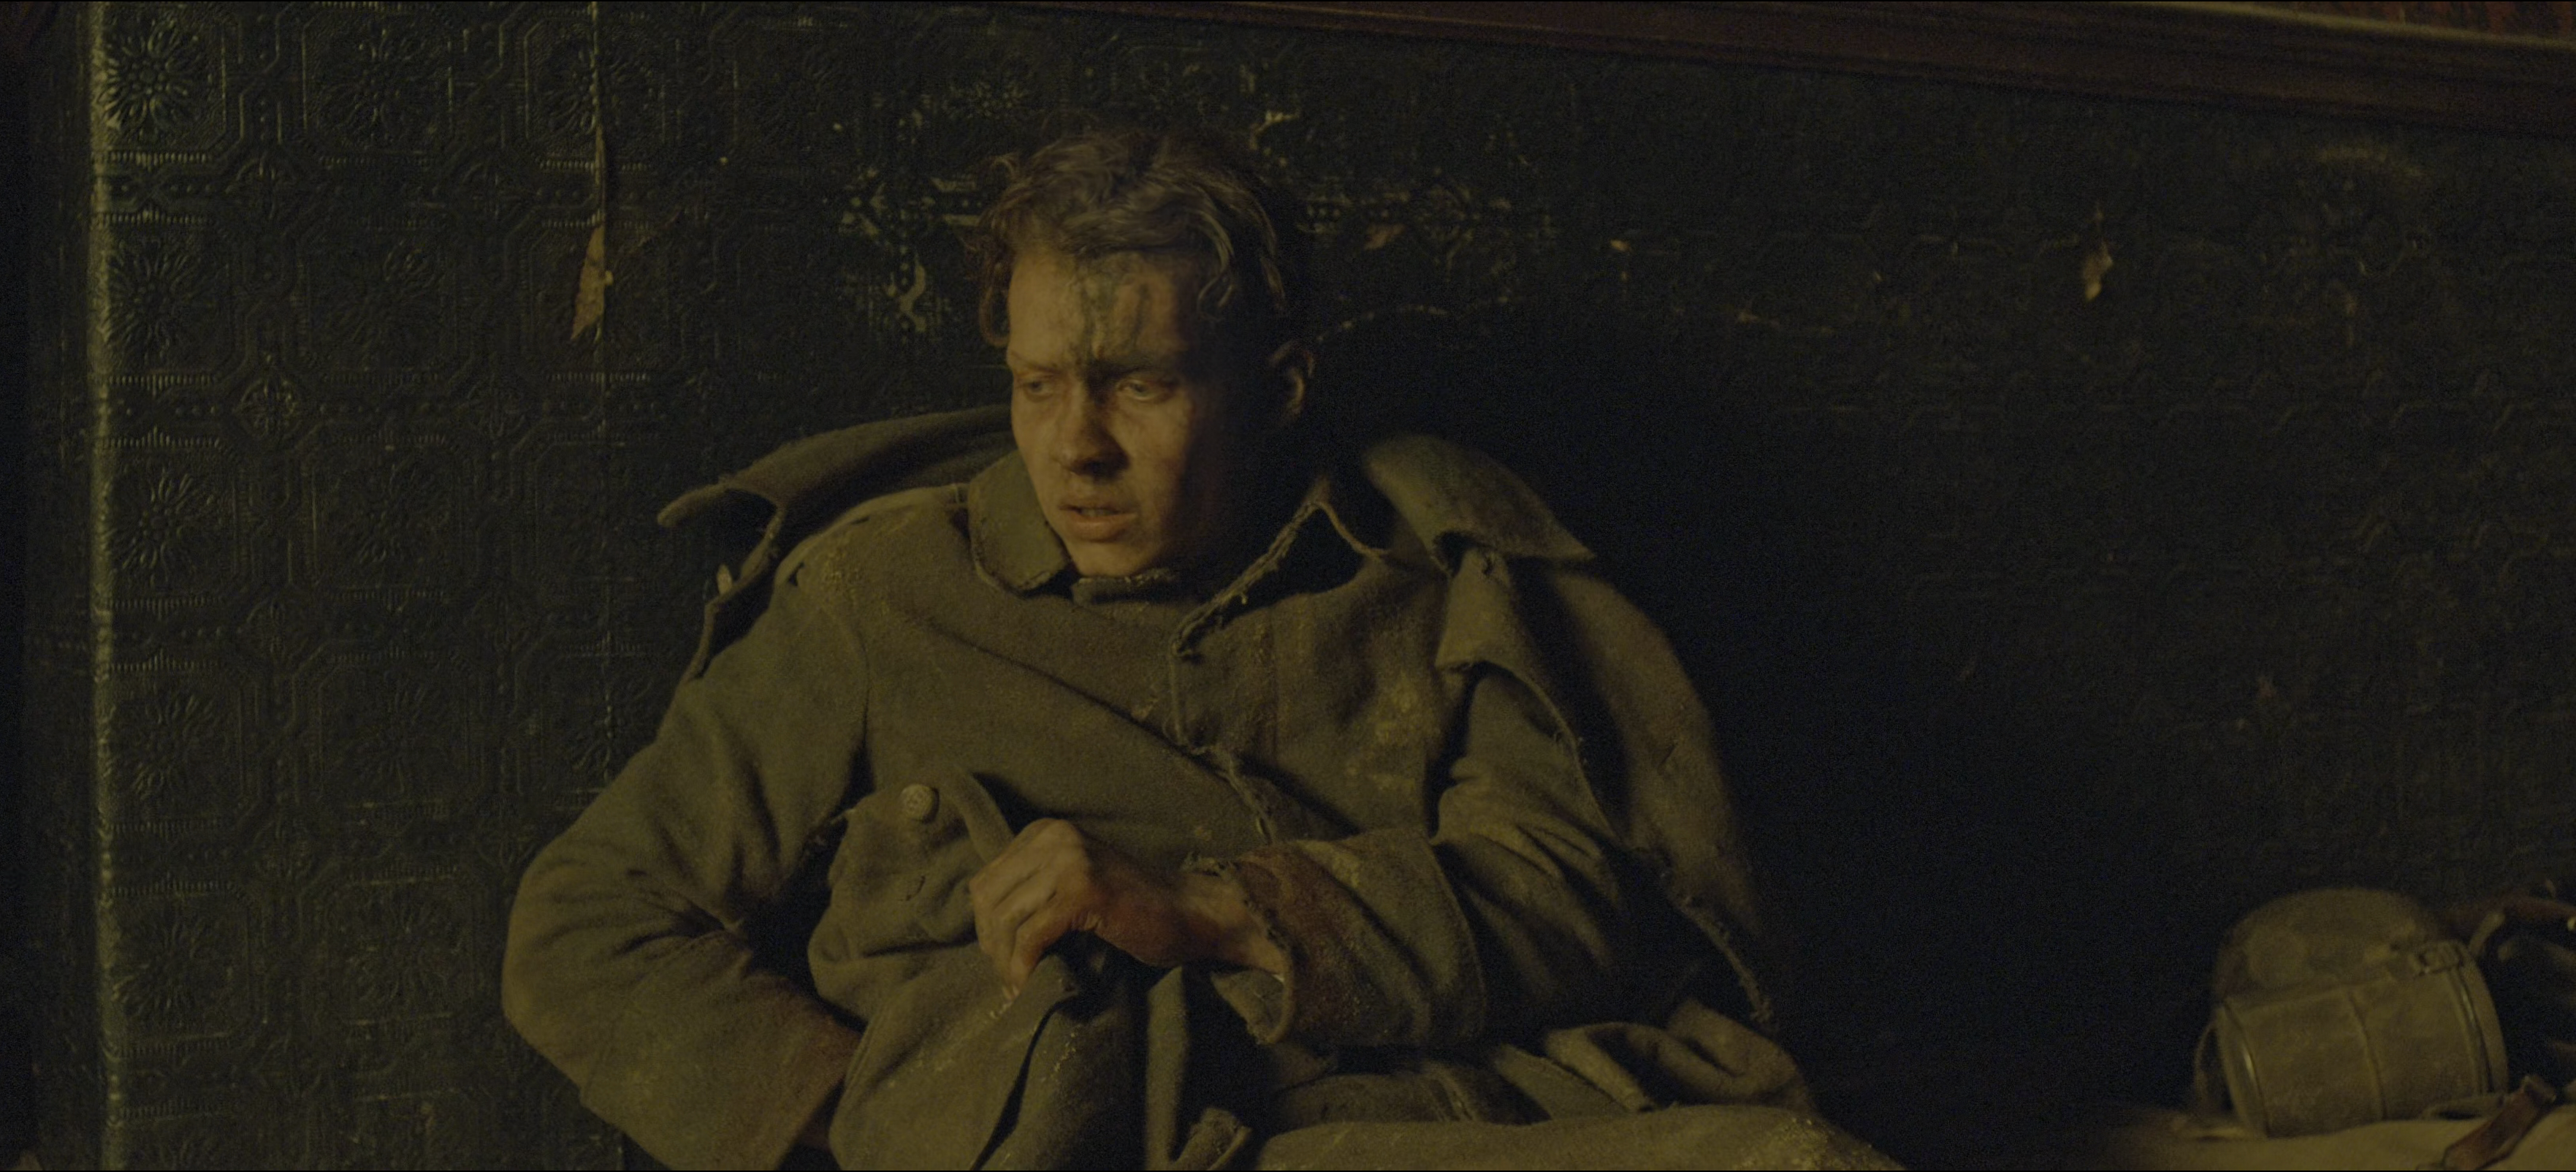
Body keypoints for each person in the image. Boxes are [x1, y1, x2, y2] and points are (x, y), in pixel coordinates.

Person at [503, 126, 1895, 1171]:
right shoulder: (883, 593)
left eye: (1142, 386)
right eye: (1037, 385)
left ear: (1276, 388)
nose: (1076, 447)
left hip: (1446, 1122)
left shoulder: (1424, 569)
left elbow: (1569, 903)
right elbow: (589, 927)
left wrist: (1218, 909)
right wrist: (891, 1120)